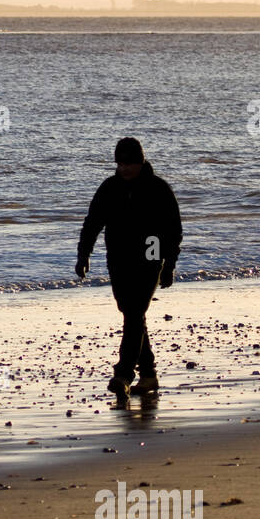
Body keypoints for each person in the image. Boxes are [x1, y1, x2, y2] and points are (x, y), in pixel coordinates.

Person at [75, 137, 182, 397]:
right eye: (120, 164)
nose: (124, 169)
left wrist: (168, 265)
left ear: (141, 162)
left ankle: (123, 374)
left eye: (129, 164)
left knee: (135, 312)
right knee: (130, 312)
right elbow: (92, 223)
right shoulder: (109, 188)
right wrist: (83, 255)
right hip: (119, 256)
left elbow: (173, 230)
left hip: (151, 252)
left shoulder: (158, 188)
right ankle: (148, 374)